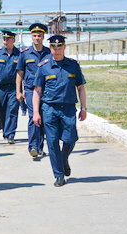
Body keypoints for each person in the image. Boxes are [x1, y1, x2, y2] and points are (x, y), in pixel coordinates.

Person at [33, 35, 87, 187]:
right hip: (49, 108)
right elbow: (37, 91)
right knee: (52, 142)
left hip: (68, 108)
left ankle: (63, 160)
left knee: (70, 139)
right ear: (50, 48)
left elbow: (81, 87)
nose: (56, 51)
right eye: (53, 48)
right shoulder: (43, 66)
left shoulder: (73, 65)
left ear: (64, 47)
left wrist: (83, 108)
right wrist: (36, 112)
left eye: (59, 48)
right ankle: (59, 175)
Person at [16, 23, 51, 160]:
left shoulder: (49, 53)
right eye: (35, 35)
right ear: (31, 36)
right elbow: (19, 73)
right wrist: (18, 91)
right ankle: (33, 146)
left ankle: (40, 146)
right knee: (33, 116)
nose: (37, 38)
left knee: (43, 117)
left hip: (47, 90)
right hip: (30, 89)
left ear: (43, 37)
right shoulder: (24, 54)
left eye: (39, 36)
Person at [0, 31, 21, 144]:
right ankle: (4, 129)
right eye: (4, 39)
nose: (5, 41)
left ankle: (10, 134)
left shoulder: (19, 54)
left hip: (14, 88)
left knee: (12, 110)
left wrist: (21, 90)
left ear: (13, 40)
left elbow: (22, 72)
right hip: (0, 88)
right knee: (1, 111)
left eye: (8, 39)